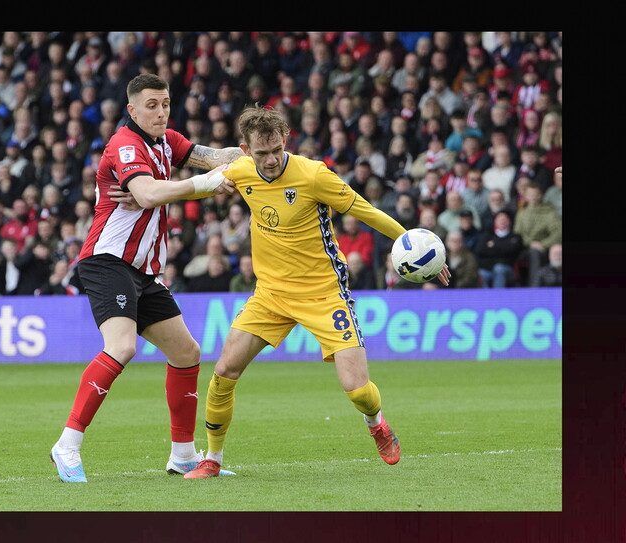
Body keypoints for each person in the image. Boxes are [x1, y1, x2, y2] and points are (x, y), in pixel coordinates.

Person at [181, 105, 450, 479]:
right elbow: (194, 175)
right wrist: (140, 195)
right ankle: (212, 458)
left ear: (286, 139)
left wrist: (413, 245)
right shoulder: (239, 172)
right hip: (271, 294)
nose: (272, 159)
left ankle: (376, 423)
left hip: (324, 292)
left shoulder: (313, 175)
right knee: (224, 370)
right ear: (246, 151)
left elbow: (364, 209)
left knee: (356, 390)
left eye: (277, 149)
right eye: (262, 153)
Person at [49, 73, 245, 483]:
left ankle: (183, 455)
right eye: (152, 105)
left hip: (145, 270)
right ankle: (67, 444)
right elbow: (150, 194)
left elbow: (214, 156)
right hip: (109, 261)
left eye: (166, 103)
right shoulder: (124, 144)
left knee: (187, 353)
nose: (160, 112)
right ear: (132, 110)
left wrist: (256, 153)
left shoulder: (168, 141)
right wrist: (207, 184)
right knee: (121, 347)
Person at [512, 183, 562, 286]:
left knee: (534, 253)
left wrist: (543, 244)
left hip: (544, 249)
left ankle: (534, 288)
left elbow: (558, 232)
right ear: (525, 196)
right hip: (525, 248)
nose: (533, 197)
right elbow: (517, 234)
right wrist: (530, 243)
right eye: (530, 194)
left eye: (535, 194)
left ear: (540, 195)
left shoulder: (549, 212)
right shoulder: (521, 213)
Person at [475, 211, 523, 288]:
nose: (502, 221)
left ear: (510, 221)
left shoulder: (515, 237)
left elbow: (513, 252)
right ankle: (485, 299)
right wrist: (503, 248)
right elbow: (480, 251)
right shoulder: (487, 236)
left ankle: (498, 298)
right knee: (482, 273)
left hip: (508, 270)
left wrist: (493, 246)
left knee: (499, 269)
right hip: (489, 268)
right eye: (500, 219)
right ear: (495, 221)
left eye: (505, 219)